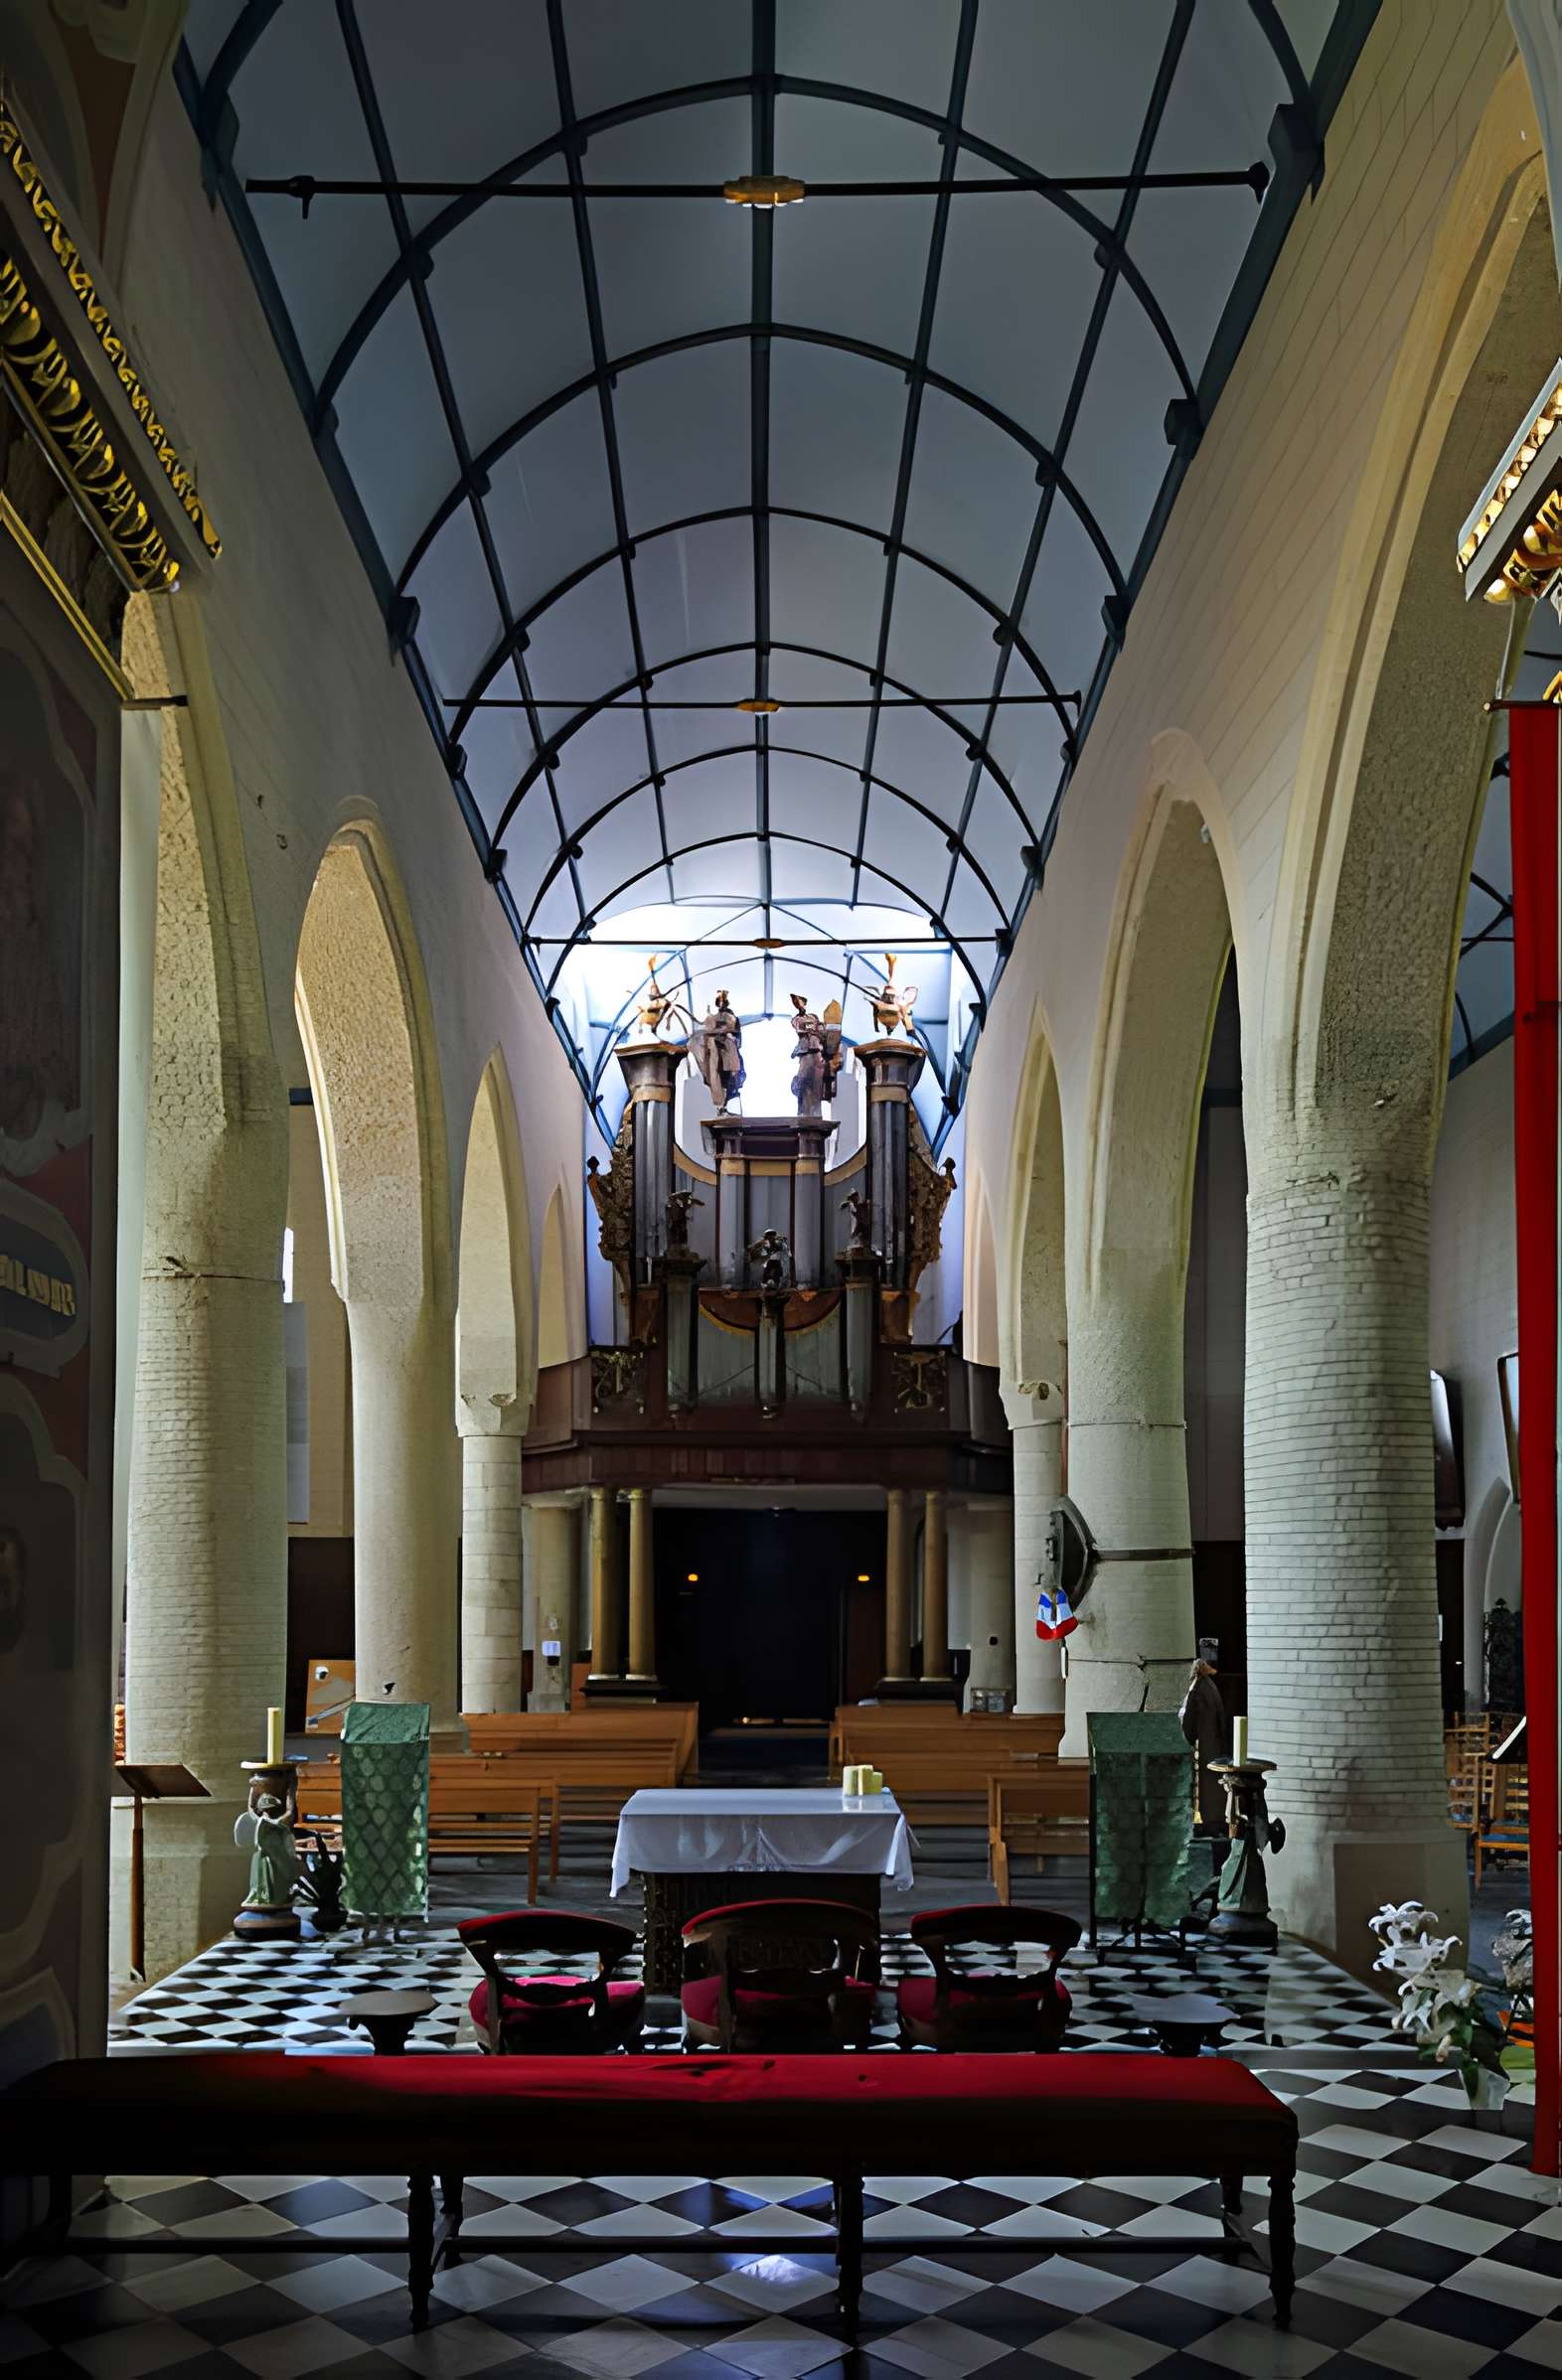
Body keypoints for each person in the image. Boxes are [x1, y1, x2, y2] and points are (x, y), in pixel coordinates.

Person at [1179, 1635, 1228, 1833]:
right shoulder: (1208, 1686)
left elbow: (1188, 1726)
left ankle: (1207, 1822)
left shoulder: (1201, 1687)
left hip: (1206, 1749)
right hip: (1212, 1746)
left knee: (1205, 1789)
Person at [692, 989, 744, 1112]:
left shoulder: (732, 1017)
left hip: (728, 1048)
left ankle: (728, 1098)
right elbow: (708, 1031)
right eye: (719, 1002)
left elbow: (736, 1034)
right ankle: (718, 1102)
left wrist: (728, 1035)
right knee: (713, 1071)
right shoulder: (713, 1018)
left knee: (731, 1070)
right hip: (715, 1049)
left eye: (723, 1002)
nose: (721, 1004)